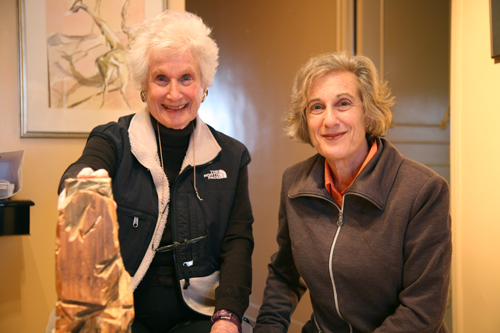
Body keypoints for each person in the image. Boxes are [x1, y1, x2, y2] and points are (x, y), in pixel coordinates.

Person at [56, 10, 253, 333]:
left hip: (199, 315)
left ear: (204, 84)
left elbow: (237, 243)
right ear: (144, 86)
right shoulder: (114, 140)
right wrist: (83, 180)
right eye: (161, 78)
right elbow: (84, 168)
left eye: (186, 78)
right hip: (123, 310)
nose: (174, 94)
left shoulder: (231, 157)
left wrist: (228, 315)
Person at [254, 52, 451, 333]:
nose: (329, 120)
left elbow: (422, 311)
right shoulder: (294, 183)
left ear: (368, 113)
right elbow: (285, 275)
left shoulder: (424, 191)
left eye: (343, 104)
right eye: (316, 107)